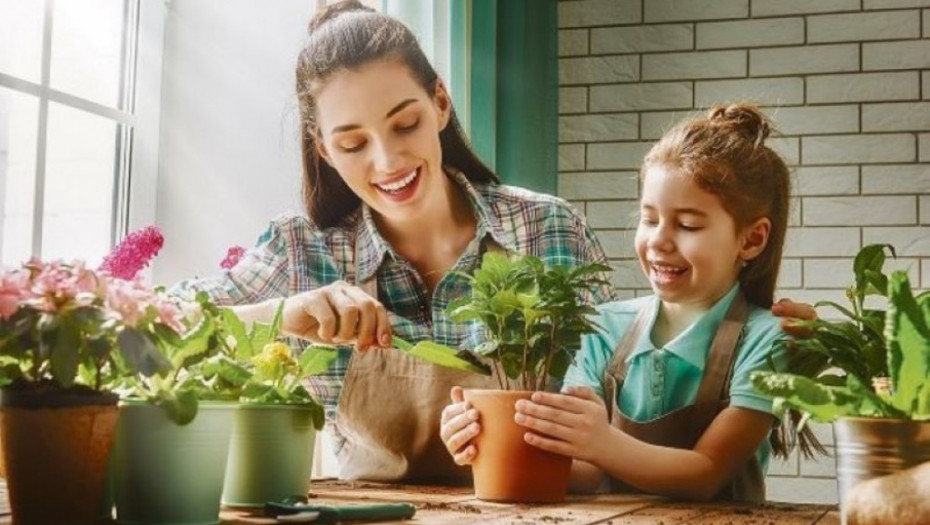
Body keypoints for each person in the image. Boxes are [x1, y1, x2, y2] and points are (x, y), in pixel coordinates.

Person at [175, 1, 816, 484]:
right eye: (351, 143)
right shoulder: (301, 250)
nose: (387, 158)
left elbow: (607, 410)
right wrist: (275, 314)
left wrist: (753, 331)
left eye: (405, 123)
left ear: (441, 104)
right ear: (323, 150)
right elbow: (146, 330)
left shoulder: (547, 231)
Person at [441, 104, 808, 501]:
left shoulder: (769, 340)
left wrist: (601, 442)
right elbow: (582, 472)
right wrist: (486, 437)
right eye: (649, 219)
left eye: (688, 225)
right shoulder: (602, 327)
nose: (659, 241)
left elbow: (706, 473)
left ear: (751, 239)